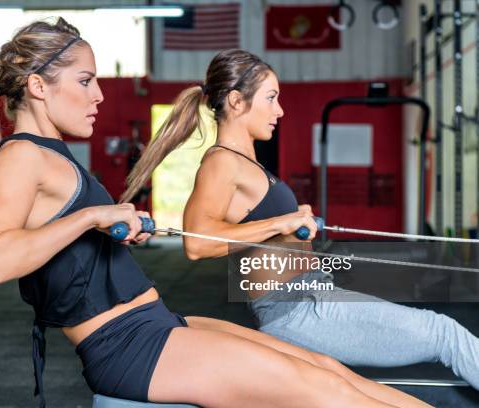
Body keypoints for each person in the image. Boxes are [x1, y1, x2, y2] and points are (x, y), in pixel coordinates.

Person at [0, 19, 431, 408]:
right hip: (126, 346)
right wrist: (89, 220)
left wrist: (117, 230)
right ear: (37, 87)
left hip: (152, 321)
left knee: (326, 369)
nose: (99, 94)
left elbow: (63, 247)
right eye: (85, 80)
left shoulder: (52, 156)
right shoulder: (20, 155)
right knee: (327, 395)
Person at [121, 48, 479, 391]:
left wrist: (292, 219)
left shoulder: (247, 163)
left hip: (315, 297)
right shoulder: (221, 162)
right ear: (235, 101)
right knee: (443, 334)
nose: (279, 110)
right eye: (270, 98)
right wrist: (282, 223)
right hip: (299, 312)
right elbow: (197, 242)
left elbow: (259, 226)